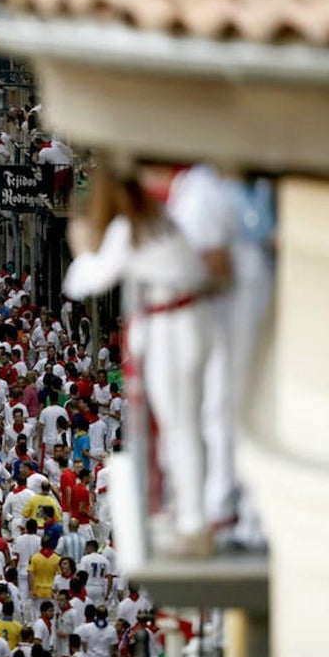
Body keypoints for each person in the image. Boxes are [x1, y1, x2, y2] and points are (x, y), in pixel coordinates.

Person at [63, 168, 213, 556]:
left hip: (170, 328)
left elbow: (83, 282)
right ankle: (188, 511)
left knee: (177, 425)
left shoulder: (130, 230)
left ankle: (191, 518)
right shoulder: (164, 222)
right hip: (190, 321)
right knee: (187, 423)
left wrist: (82, 245)